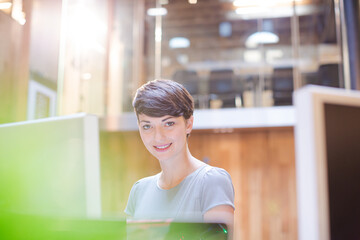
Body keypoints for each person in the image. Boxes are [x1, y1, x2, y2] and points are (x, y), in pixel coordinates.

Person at [124, 79, 235, 235]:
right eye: (147, 126)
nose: (158, 137)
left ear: (188, 124)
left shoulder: (212, 180)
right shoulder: (139, 190)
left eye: (168, 123)